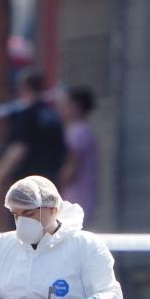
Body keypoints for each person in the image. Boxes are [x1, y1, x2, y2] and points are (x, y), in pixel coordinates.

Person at [0, 71, 67, 194]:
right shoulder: (52, 115)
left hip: (29, 183)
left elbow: (19, 147)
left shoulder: (27, 114)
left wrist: (0, 175)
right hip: (50, 181)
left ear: (23, 88)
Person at [58, 85, 98, 218]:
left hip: (76, 194)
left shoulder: (78, 132)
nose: (62, 109)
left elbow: (72, 165)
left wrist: (57, 183)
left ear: (76, 107)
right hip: (83, 193)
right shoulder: (81, 130)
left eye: (66, 105)